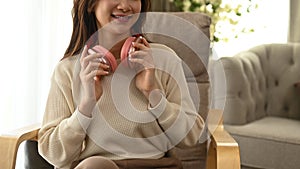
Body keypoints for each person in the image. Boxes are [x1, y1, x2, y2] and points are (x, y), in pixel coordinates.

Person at [38, 0, 205, 168]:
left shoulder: (164, 59)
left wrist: (153, 92)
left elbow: (190, 138)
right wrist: (86, 105)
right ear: (90, 4)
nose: (125, 6)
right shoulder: (67, 70)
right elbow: (54, 155)